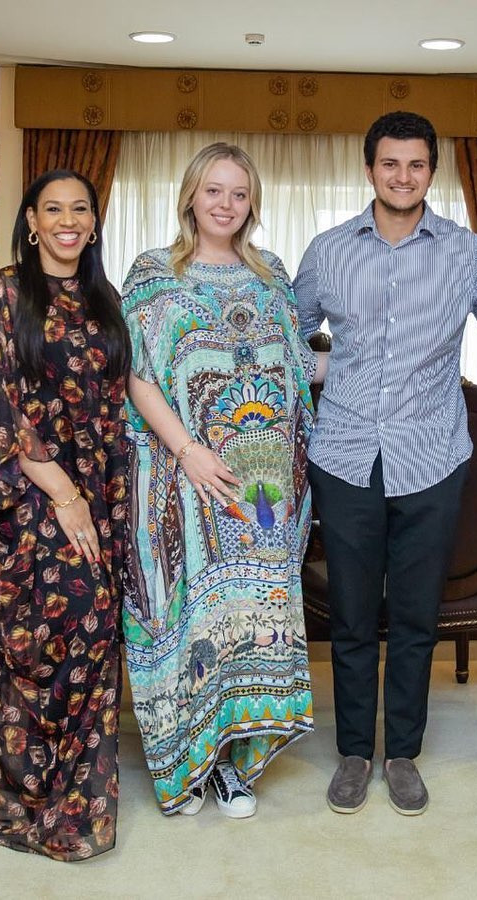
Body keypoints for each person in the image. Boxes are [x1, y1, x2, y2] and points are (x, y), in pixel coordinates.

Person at [294, 111, 477, 816]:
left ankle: (402, 753)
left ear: (432, 172)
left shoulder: (466, 253)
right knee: (351, 617)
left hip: (432, 457)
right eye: (390, 163)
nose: (403, 176)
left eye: (416, 165)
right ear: (369, 169)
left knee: (415, 617)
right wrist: (328, 369)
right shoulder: (327, 252)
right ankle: (355, 753)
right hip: (345, 456)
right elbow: (286, 341)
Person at [122, 143, 319, 819]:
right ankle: (189, 763)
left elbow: (298, 369)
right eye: (213, 190)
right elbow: (138, 376)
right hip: (183, 475)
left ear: (252, 203)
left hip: (264, 492)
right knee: (193, 618)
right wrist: (188, 452)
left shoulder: (272, 275)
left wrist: (382, 355)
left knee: (252, 620)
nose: (225, 204)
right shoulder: (154, 274)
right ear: (190, 196)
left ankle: (234, 766)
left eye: (239, 193)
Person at [0, 170, 131, 860]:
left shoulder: (106, 298)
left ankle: (76, 801)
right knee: (33, 643)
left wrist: (105, 498)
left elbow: (116, 405)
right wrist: (63, 492)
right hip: (26, 497)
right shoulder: (3, 293)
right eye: (52, 209)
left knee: (93, 634)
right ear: (30, 222)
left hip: (96, 497)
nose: (67, 220)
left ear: (94, 222)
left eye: (79, 209)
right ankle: (23, 794)